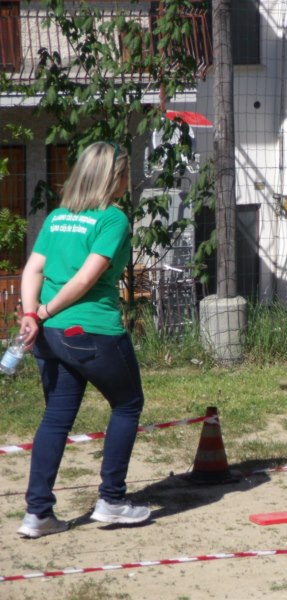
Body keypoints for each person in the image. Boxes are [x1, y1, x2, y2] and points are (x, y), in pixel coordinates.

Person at [16, 142, 151, 538]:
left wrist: (32, 314)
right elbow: (86, 278)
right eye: (124, 175)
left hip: (50, 334)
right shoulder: (112, 219)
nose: (126, 182)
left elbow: (33, 268)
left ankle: (37, 513)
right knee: (127, 404)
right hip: (90, 330)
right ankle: (111, 501)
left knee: (56, 418)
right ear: (114, 178)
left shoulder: (57, 217)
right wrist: (43, 312)